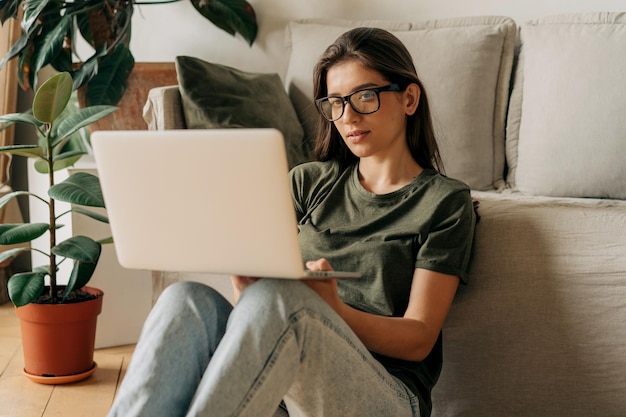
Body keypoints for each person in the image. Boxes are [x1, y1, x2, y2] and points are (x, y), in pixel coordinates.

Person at [108, 27, 476, 417]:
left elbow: (419, 337)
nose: (347, 116)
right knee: (185, 301)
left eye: (364, 97)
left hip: (386, 395)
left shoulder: (445, 202)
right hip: (285, 386)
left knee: (289, 305)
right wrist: (246, 287)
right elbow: (262, 312)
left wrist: (332, 309)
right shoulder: (308, 182)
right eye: (335, 103)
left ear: (409, 98)